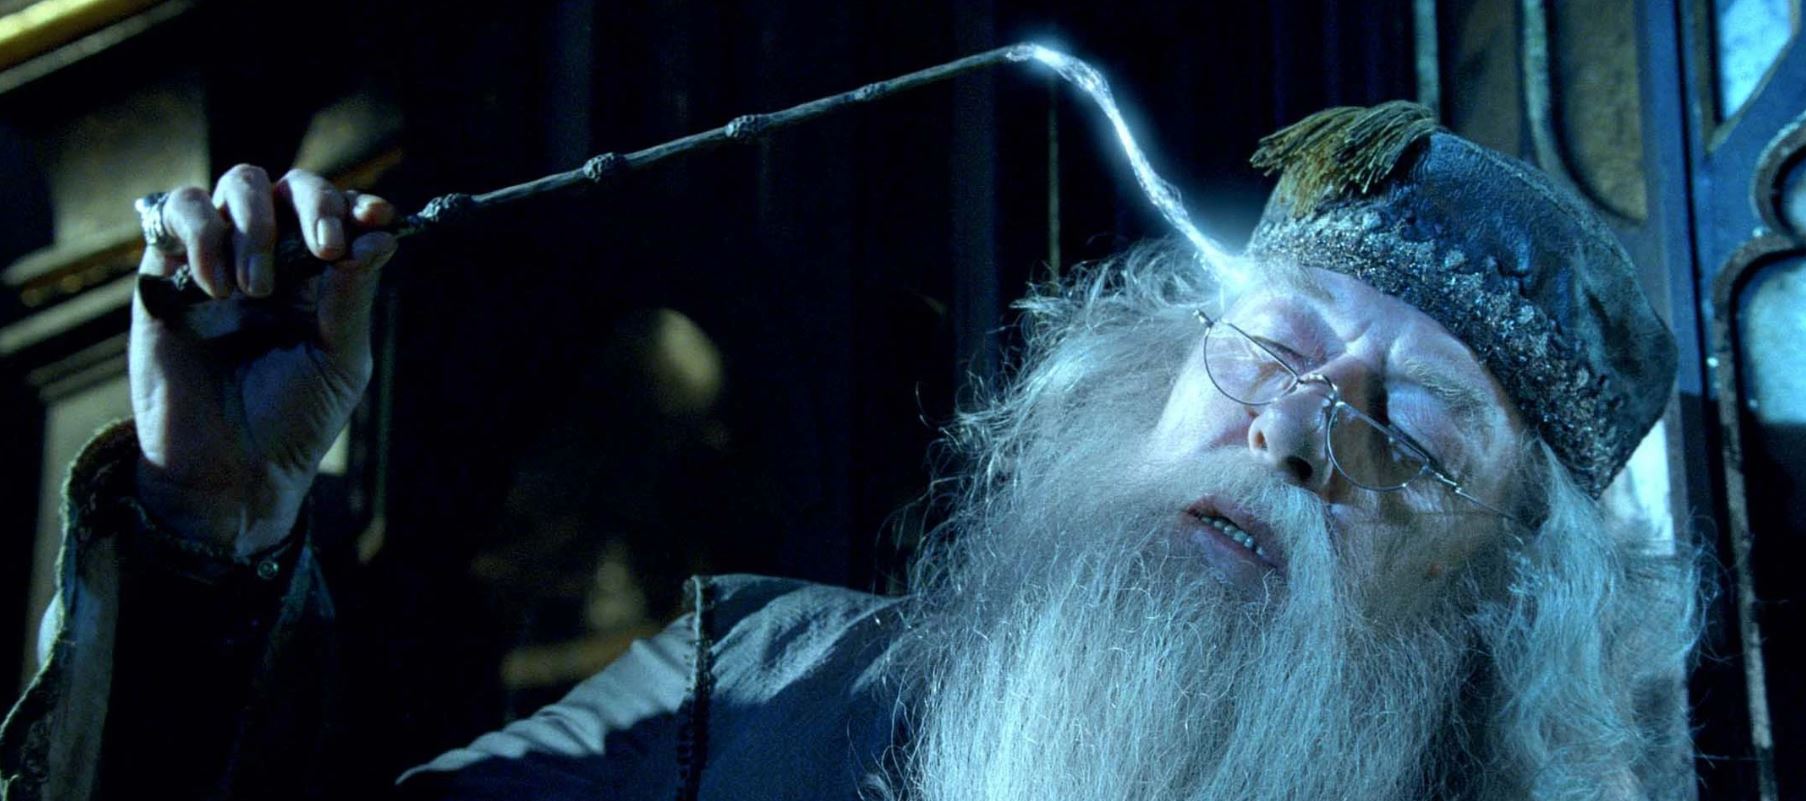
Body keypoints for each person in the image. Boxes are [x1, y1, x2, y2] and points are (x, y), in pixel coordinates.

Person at [1, 102, 1697, 801]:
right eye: (1267, 343)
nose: (1296, 427)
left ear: (1501, 604)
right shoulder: (759, 687)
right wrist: (210, 525)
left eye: (1411, 432)